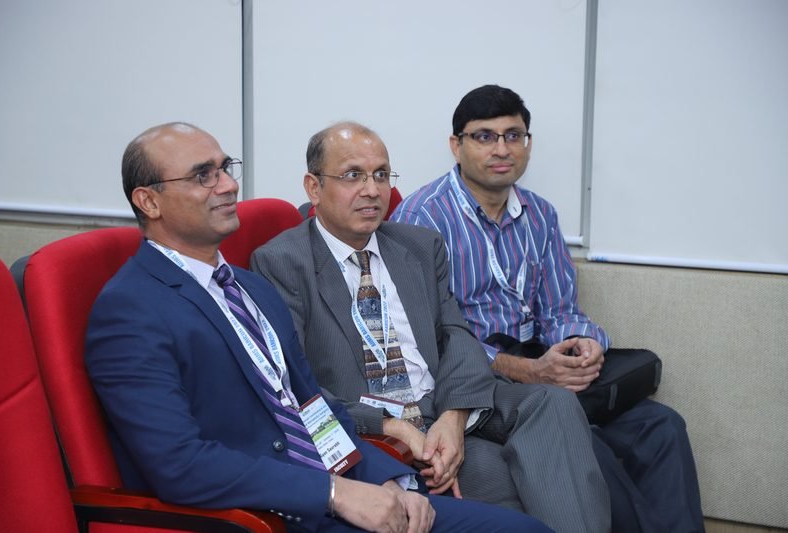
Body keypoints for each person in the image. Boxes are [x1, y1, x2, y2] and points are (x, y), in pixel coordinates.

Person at [84, 122, 549, 533]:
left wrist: (387, 481)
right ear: (149, 201)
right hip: (259, 515)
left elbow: (310, 406)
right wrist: (334, 494)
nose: (228, 185)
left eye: (226, 168)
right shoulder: (130, 311)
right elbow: (180, 465)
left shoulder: (248, 287)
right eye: (203, 175)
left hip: (329, 490)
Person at [252, 121, 612, 533]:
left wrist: (454, 415)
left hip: (443, 402)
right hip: (377, 424)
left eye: (381, 175)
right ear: (314, 187)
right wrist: (390, 425)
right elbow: (294, 385)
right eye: (353, 175)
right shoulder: (282, 262)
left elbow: (456, 335)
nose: (372, 190)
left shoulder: (419, 245)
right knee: (513, 479)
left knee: (554, 403)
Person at [391, 84, 705, 532]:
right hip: (480, 380)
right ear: (456, 146)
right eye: (484, 137)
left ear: (528, 143)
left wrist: (582, 343)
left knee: (663, 426)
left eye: (513, 135)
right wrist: (528, 372)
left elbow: (560, 310)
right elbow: (429, 338)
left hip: (546, 369)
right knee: (584, 446)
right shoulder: (422, 219)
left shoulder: (540, 215)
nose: (502, 149)